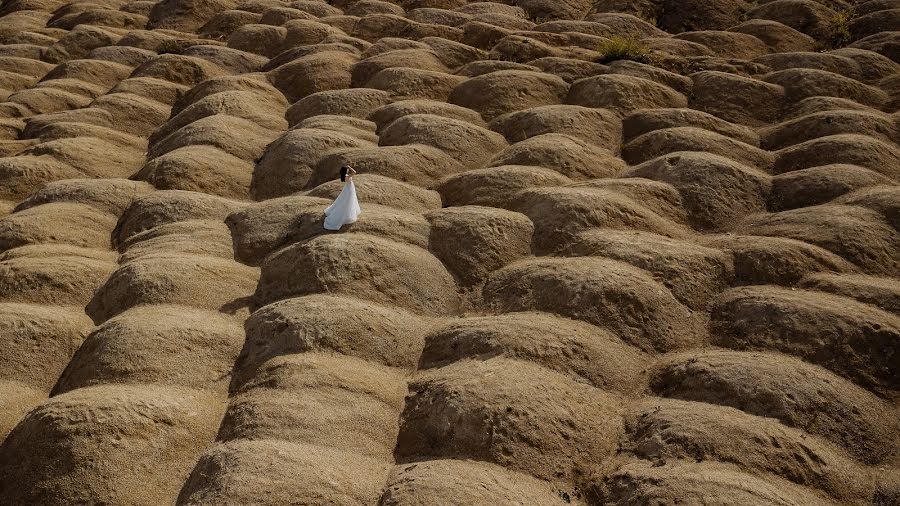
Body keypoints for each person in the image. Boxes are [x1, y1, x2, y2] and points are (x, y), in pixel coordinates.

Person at [323, 165, 361, 231]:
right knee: (348, 201)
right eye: (347, 170)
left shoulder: (345, 175)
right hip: (349, 189)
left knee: (346, 200)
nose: (348, 170)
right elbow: (354, 172)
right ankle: (345, 214)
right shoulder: (346, 176)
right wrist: (349, 167)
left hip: (348, 188)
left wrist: (347, 168)